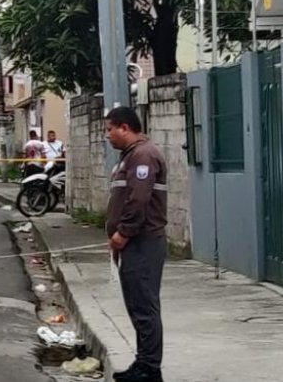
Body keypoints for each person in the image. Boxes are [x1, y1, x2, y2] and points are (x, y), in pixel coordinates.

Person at [105, 107, 168, 382]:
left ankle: (150, 369)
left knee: (144, 306)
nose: (107, 135)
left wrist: (125, 231)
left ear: (125, 128)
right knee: (136, 304)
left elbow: (138, 198)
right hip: (134, 244)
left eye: (110, 129)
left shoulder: (143, 156)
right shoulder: (129, 157)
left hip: (143, 241)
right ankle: (143, 363)